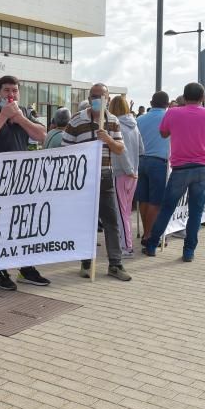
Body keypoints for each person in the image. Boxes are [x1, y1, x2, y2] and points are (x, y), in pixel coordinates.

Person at [0, 75, 48, 290]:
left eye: (14, 91)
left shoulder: (24, 112)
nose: (11, 95)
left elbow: (42, 135)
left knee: (23, 223)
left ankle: (26, 268)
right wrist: (3, 116)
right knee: (0, 225)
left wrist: (20, 119)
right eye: (7, 91)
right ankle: (0, 270)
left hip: (21, 179)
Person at [62, 83, 132, 281]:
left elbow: (120, 149)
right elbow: (65, 150)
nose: (97, 100)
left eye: (101, 97)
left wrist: (108, 140)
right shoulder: (76, 121)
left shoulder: (113, 121)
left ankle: (115, 264)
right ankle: (86, 262)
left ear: (108, 99)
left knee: (111, 222)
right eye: (93, 96)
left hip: (105, 177)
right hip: (84, 180)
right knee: (86, 222)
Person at [143, 83, 205, 262]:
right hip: (202, 167)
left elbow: (163, 133)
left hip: (180, 168)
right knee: (196, 211)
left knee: (167, 207)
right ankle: (188, 251)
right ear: (202, 98)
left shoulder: (173, 112)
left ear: (184, 97)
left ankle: (152, 244)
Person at [109, 95, 144, 259]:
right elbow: (141, 149)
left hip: (121, 172)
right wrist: (133, 169)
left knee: (121, 211)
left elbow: (120, 151)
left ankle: (126, 246)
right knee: (126, 211)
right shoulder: (135, 125)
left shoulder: (116, 126)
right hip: (133, 174)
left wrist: (129, 168)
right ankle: (126, 244)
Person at [136, 91, 170, 251]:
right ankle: (149, 235)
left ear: (151, 102)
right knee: (156, 202)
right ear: (167, 103)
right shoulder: (169, 117)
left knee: (144, 199)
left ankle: (146, 232)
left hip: (141, 161)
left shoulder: (140, 119)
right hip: (159, 162)